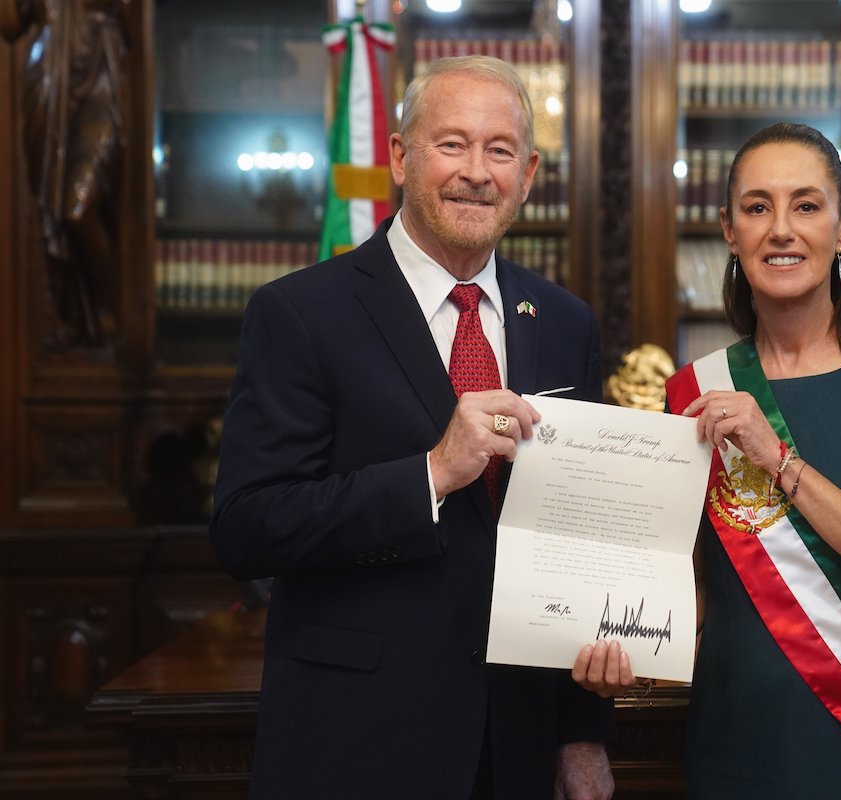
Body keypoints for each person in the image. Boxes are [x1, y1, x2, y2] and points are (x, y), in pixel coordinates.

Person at [210, 55, 613, 800]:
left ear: (528, 174)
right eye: (452, 144)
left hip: (517, 745)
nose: (476, 173)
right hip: (358, 741)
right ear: (400, 156)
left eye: (500, 151)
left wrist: (580, 731)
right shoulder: (300, 313)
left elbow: (576, 539)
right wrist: (430, 474)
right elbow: (246, 527)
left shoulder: (564, 321)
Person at [575, 123, 841, 799]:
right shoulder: (692, 393)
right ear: (731, 231)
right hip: (733, 738)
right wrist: (622, 641)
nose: (781, 229)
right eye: (758, 208)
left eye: (806, 205)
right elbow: (692, 588)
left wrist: (778, 458)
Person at [0, 0, 130, 344]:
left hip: (101, 72)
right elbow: (10, 25)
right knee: (54, 211)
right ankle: (75, 319)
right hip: (48, 76)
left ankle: (113, 311)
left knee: (78, 209)